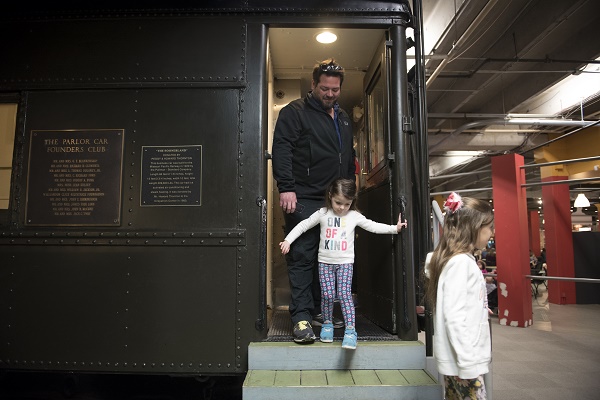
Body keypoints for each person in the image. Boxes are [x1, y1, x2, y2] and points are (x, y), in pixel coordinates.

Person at [272, 58, 356, 344]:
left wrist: (348, 195)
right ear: (313, 85)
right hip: (304, 195)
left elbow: (348, 158)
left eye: (334, 89)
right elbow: (282, 148)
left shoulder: (343, 117)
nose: (329, 94)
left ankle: (323, 311)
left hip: (334, 199)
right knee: (303, 256)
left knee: (330, 256)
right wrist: (286, 187)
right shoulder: (294, 112)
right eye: (324, 88)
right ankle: (301, 318)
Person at [279, 178, 407, 348]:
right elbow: (304, 225)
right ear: (330, 196)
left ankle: (350, 331)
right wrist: (288, 240)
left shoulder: (354, 216)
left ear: (352, 202)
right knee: (328, 296)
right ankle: (326, 324)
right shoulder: (323, 213)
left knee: (345, 295)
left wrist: (394, 228)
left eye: (347, 204)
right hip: (325, 263)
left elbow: (373, 226)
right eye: (338, 202)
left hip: (345, 263)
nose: (341, 207)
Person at [424, 192, 494, 399]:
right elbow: (453, 316)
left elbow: (458, 302)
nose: (492, 232)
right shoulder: (461, 263)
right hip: (465, 362)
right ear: (474, 228)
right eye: (489, 227)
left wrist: (478, 305)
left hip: (460, 360)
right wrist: (468, 363)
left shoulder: (459, 261)